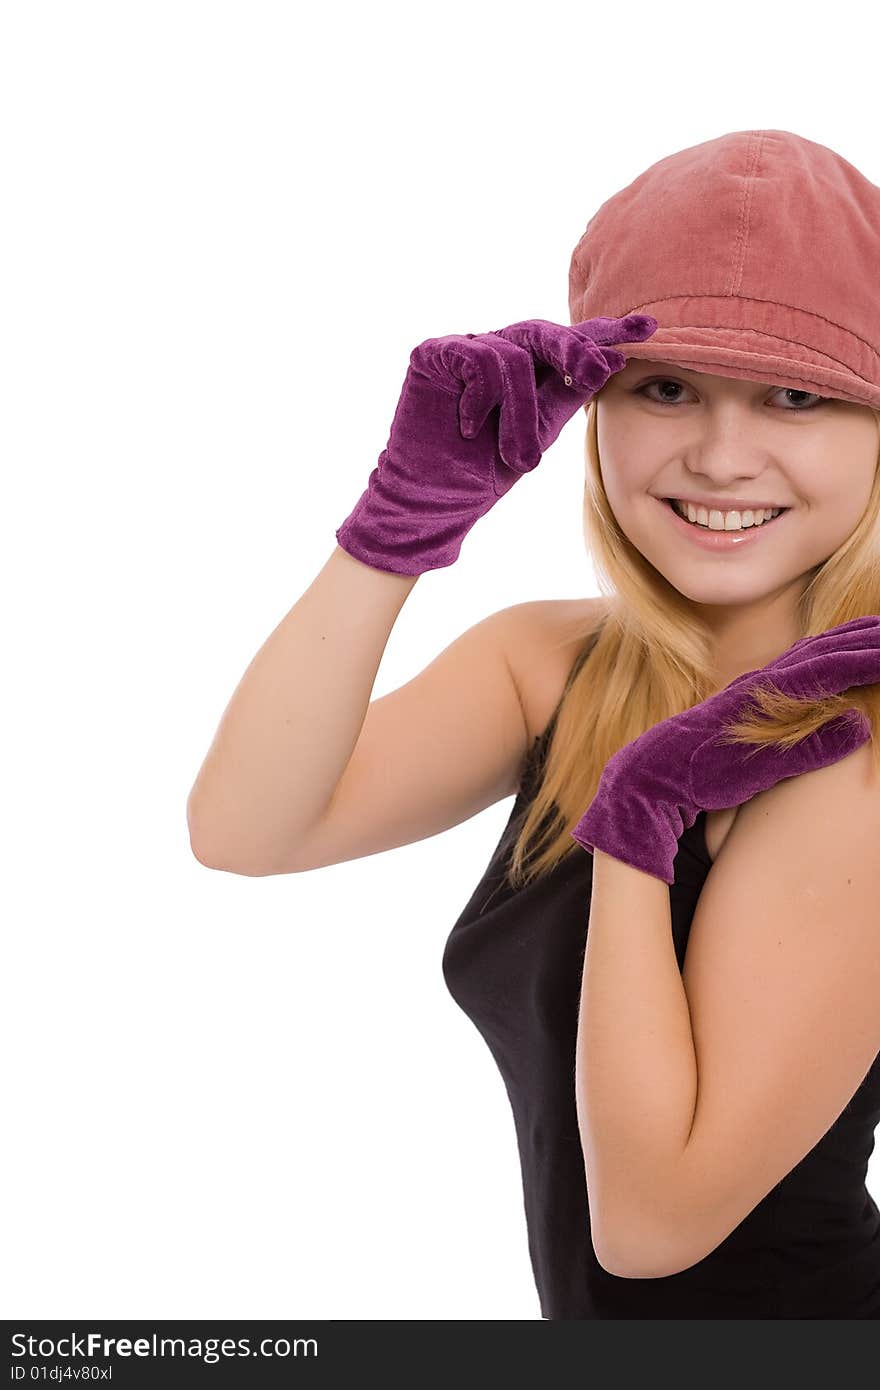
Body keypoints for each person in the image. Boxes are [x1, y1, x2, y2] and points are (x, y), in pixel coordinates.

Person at [186, 129, 880, 1317]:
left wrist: (633, 830)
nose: (719, 455)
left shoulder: (849, 752)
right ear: (593, 405)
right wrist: (393, 531)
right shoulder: (554, 662)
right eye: (666, 388)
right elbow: (248, 828)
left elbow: (653, 1223)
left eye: (795, 395)